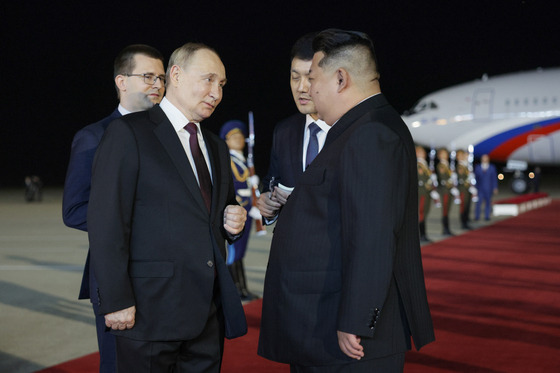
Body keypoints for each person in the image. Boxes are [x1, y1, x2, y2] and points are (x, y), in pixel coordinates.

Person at [258, 29, 434, 372]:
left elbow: (373, 235)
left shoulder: (369, 134)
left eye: (313, 78)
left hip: (349, 341)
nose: (307, 88)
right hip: (324, 325)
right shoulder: (360, 128)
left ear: (340, 79)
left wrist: (356, 319)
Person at [87, 43, 248, 373]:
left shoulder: (216, 146)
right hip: (148, 312)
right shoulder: (129, 133)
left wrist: (233, 220)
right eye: (208, 80)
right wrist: (116, 300)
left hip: (207, 314)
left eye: (222, 84)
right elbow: (107, 223)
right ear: (175, 75)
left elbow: (214, 211)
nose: (216, 92)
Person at [62, 44, 165, 373]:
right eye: (148, 76)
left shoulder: (170, 137)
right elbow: (75, 209)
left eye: (162, 78)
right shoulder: (94, 137)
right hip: (117, 279)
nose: (157, 85)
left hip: (166, 279)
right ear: (121, 81)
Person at [256, 32, 330, 222]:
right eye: (295, 77)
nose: (301, 88)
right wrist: (267, 203)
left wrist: (300, 201)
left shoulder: (351, 130)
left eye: (310, 78)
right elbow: (272, 181)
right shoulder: (284, 131)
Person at [220, 119, 259, 301]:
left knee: (240, 252)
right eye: (233, 136)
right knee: (234, 252)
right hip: (239, 211)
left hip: (247, 211)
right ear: (226, 140)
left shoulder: (242, 160)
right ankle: (235, 289)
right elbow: (231, 187)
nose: (239, 139)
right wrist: (246, 196)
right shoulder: (228, 160)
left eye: (240, 135)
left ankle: (241, 288)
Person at [416, 145, 435, 242]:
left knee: (425, 212)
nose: (422, 154)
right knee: (421, 213)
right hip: (421, 192)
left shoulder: (425, 164)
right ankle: (422, 234)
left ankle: (423, 234)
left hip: (426, 193)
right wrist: (426, 183)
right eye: (419, 152)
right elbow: (420, 178)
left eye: (423, 152)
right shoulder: (418, 165)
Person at [436, 148, 455, 235]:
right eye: (442, 154)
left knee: (448, 209)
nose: (444, 156)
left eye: (445, 154)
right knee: (445, 210)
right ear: (439, 156)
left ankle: (447, 228)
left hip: (449, 190)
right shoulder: (441, 166)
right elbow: (443, 178)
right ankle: (445, 228)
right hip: (445, 190)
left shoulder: (447, 165)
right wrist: (451, 183)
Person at [474, 154, 498, 221]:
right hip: (480, 188)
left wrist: (495, 187)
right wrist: (475, 187)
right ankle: (477, 216)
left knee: (488, 203)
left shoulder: (492, 167)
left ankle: (487, 216)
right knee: (478, 203)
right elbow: (476, 178)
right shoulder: (478, 167)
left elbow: (494, 178)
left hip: (488, 188)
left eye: (486, 158)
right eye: (483, 158)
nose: (485, 159)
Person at [456, 149, 473, 229]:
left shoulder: (465, 165)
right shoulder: (460, 166)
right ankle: (463, 223)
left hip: (467, 188)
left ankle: (466, 220)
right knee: (463, 206)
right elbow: (461, 177)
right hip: (462, 188)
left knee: (467, 205)